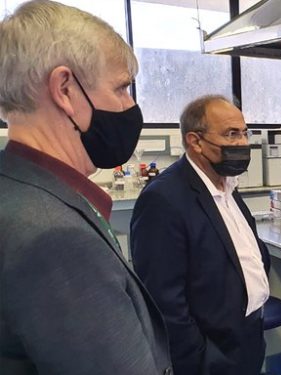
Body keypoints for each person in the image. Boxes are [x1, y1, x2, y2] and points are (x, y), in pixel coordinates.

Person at [0, 1, 172, 374]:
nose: (130, 105)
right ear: (65, 89)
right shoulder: (53, 237)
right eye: (122, 88)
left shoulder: (15, 190)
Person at [130, 95, 271, 375]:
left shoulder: (227, 185)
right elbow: (164, 301)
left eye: (245, 133)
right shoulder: (164, 199)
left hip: (247, 338)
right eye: (231, 134)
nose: (243, 143)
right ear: (195, 142)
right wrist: (201, 358)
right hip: (210, 355)